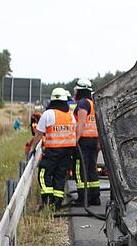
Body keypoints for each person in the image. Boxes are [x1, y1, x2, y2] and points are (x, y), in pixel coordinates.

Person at [28, 88, 78, 210]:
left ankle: (47, 201)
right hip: (67, 152)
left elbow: (39, 134)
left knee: (43, 174)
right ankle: (57, 203)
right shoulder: (70, 115)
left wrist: (32, 148)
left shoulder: (48, 114)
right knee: (60, 176)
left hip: (53, 151)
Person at [72, 78, 101, 207]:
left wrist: (75, 140)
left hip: (83, 141)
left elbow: (81, 123)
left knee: (79, 169)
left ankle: (82, 198)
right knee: (91, 169)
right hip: (94, 140)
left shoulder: (83, 103)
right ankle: (94, 197)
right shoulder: (93, 103)